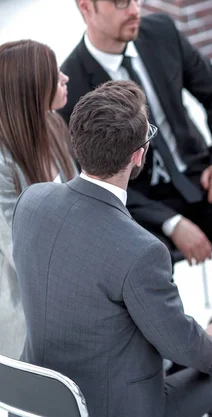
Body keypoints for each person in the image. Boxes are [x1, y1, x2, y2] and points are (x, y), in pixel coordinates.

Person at [60, 0, 212, 378]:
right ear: (86, 8)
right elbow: (89, 175)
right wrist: (170, 222)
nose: (134, 9)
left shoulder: (161, 34)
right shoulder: (71, 82)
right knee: (134, 264)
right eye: (120, 3)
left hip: (197, 176)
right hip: (134, 203)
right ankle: (171, 356)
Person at [13, 80, 212, 417]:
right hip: (116, 409)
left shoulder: (32, 200)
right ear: (138, 155)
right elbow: (181, 346)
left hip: (44, 397)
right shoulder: (140, 251)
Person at [0, 40, 77, 359]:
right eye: (52, 72)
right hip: (28, 306)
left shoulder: (54, 125)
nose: (65, 77)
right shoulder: (2, 163)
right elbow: (20, 249)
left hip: (70, 277)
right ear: (30, 88)